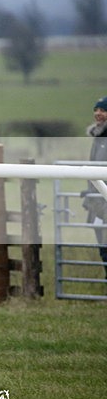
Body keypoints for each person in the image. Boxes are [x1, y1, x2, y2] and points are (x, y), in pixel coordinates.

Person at [82, 96, 107, 276]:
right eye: (96, 109)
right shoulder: (98, 136)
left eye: (103, 110)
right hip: (98, 201)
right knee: (103, 248)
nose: (98, 113)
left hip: (104, 200)